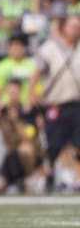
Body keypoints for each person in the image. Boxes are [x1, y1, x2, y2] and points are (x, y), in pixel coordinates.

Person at [28, 14, 80, 192]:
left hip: (78, 102)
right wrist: (32, 93)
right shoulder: (49, 48)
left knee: (78, 143)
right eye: (73, 26)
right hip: (56, 103)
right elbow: (37, 72)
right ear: (63, 28)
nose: (76, 29)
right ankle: (58, 175)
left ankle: (76, 178)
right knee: (56, 143)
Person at [0, 79, 44, 194]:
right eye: (10, 93)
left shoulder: (27, 112)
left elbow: (27, 139)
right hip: (11, 157)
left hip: (29, 159)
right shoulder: (2, 112)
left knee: (25, 149)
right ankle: (15, 182)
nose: (12, 96)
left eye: (15, 93)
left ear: (20, 93)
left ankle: (29, 179)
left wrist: (16, 120)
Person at [0, 33, 39, 108]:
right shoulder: (1, 67)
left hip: (27, 107)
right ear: (8, 48)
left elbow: (38, 89)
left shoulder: (33, 66)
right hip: (8, 108)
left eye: (19, 46)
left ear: (24, 48)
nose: (16, 49)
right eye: (13, 46)